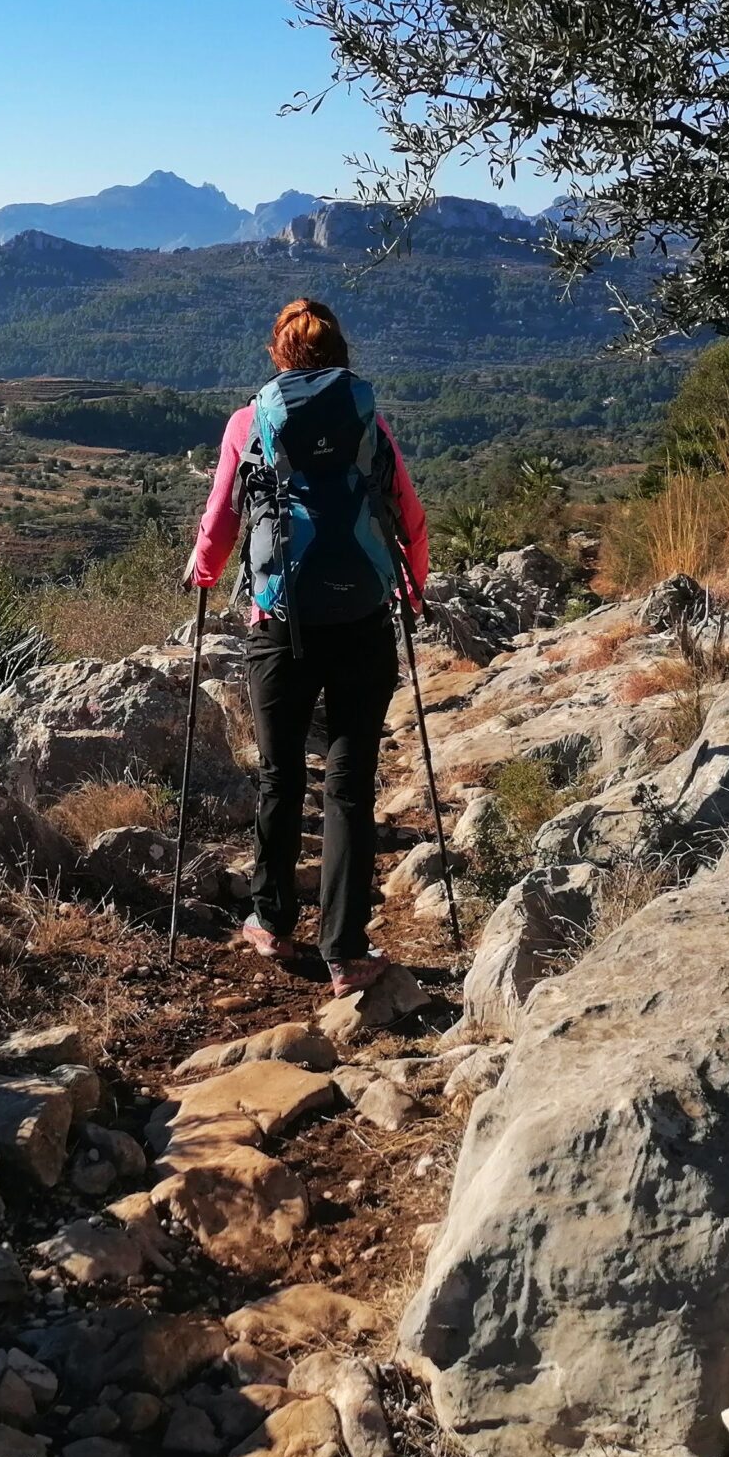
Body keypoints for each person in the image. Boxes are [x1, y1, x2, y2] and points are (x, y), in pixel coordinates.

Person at [184, 298, 429, 995]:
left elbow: (223, 514)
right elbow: (406, 511)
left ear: (279, 355)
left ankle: (270, 920)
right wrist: (412, 589)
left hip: (278, 625)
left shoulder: (248, 421)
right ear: (341, 352)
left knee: (280, 774)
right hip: (364, 623)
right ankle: (347, 952)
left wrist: (204, 571)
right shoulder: (368, 418)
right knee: (350, 786)